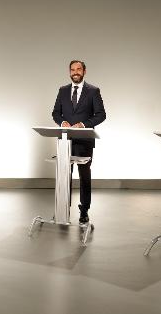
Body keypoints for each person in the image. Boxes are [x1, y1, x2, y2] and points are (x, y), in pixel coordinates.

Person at [52, 60, 106, 224]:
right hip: (65, 140)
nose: (75, 72)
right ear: (69, 72)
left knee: (84, 176)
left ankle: (84, 211)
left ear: (84, 71)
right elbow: (55, 113)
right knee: (64, 176)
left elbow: (101, 115)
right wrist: (62, 123)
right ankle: (63, 209)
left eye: (78, 69)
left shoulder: (93, 91)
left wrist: (83, 125)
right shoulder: (62, 90)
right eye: (72, 70)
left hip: (84, 141)